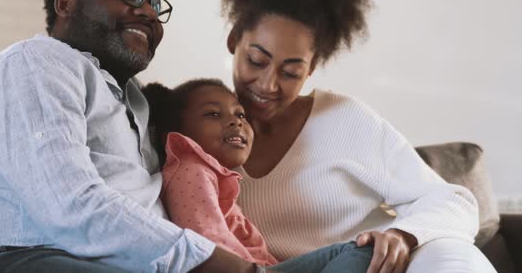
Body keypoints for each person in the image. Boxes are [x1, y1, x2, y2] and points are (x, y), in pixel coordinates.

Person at [0, 0, 496, 272]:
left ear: (314, 67)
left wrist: (408, 235)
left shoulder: (343, 121)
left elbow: (452, 198)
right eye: (257, 58)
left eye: (293, 70)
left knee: (379, 259)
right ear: (233, 41)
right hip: (83, 259)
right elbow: (64, 187)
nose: (267, 86)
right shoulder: (184, 115)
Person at [0, 0, 257, 272]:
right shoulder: (37, 63)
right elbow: (71, 206)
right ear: (65, 2)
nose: (147, 12)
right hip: (23, 256)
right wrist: (222, 264)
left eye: (154, 3)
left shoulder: (142, 101)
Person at [141, 79, 373, 272]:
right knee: (357, 252)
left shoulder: (213, 176)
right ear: (173, 132)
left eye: (240, 115)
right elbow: (207, 242)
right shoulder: (191, 169)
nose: (235, 122)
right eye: (212, 114)